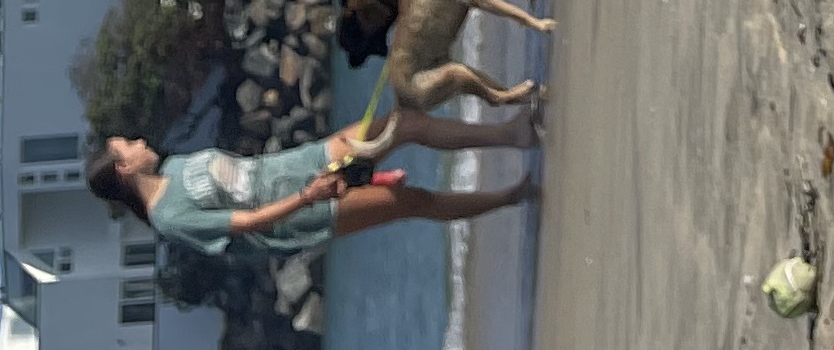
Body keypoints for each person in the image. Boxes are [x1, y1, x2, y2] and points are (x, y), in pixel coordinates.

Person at [85, 126, 532, 261]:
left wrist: (367, 177)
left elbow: (249, 171)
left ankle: (511, 133)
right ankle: (512, 195)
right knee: (412, 202)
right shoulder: (168, 217)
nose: (141, 141)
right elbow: (248, 223)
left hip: (298, 163)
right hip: (303, 212)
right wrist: (309, 197)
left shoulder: (174, 166)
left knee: (402, 125)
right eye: (129, 146)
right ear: (124, 170)